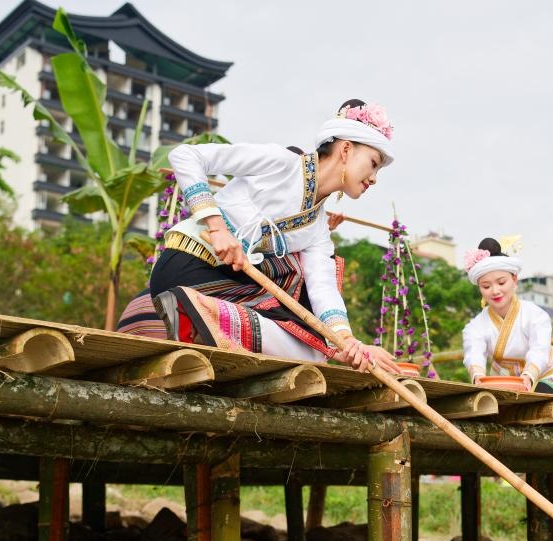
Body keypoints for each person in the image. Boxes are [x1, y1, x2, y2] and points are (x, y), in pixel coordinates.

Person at [146, 99, 397, 373]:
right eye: (373, 164)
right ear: (346, 149)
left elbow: (322, 288)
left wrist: (346, 342)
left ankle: (199, 315)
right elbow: (185, 155)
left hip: (232, 286)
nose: (373, 179)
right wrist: (216, 227)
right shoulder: (280, 162)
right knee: (293, 276)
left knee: (313, 354)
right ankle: (191, 307)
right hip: (189, 265)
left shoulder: (319, 231)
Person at [461, 238, 553, 395]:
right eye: (486, 286)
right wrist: (477, 377)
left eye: (501, 282)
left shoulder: (535, 315)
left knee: (538, 395)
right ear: (480, 288)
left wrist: (528, 376)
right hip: (509, 384)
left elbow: (539, 350)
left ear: (514, 280)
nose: (495, 291)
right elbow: (474, 354)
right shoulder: (475, 327)